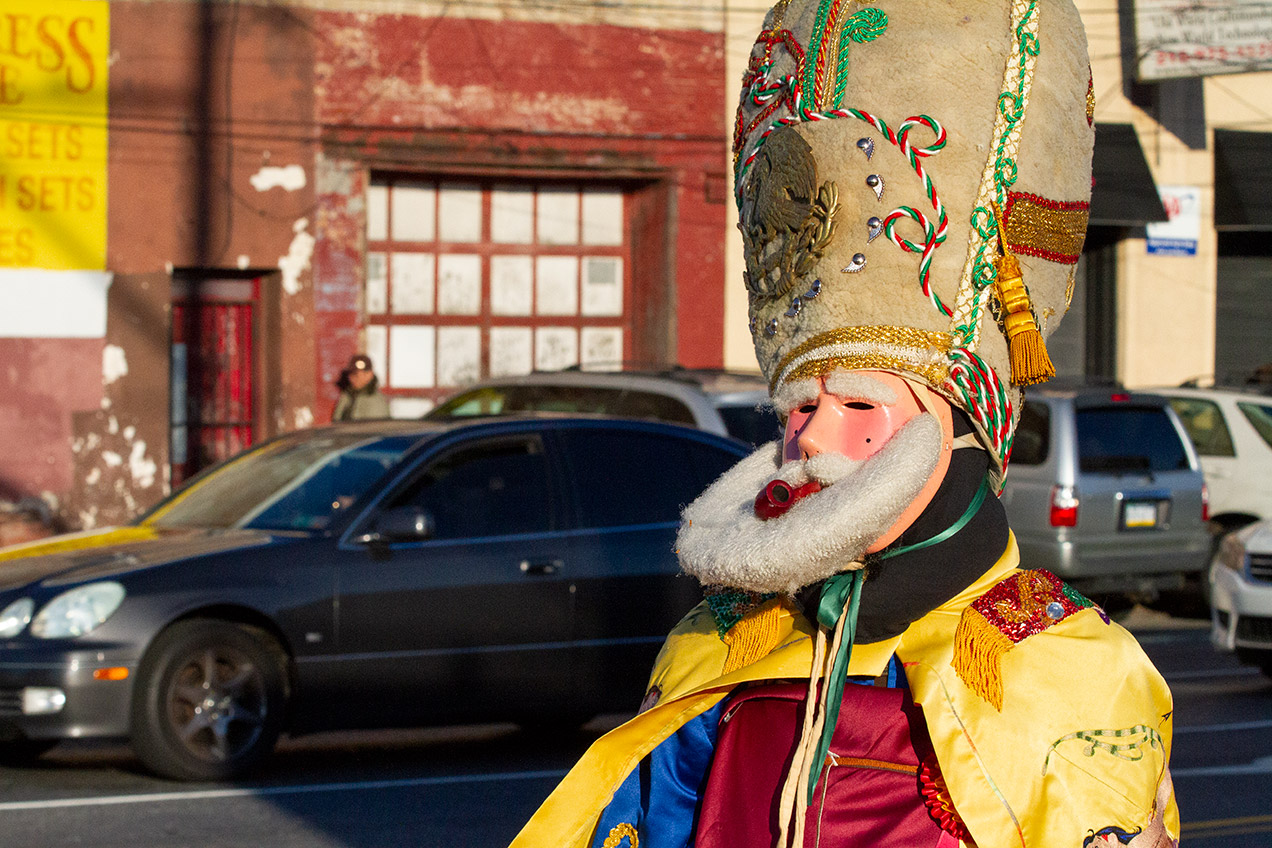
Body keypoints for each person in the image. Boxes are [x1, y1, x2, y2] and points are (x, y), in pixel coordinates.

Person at [510, 0, 1178, 846]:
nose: (814, 442)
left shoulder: (1070, 668)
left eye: (861, 405)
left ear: (964, 431)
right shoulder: (716, 645)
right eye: (799, 409)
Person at [332, 354, 390, 421]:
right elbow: (336, 420)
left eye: (364, 373)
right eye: (353, 374)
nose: (357, 378)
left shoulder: (376, 400)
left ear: (370, 374)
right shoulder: (346, 396)